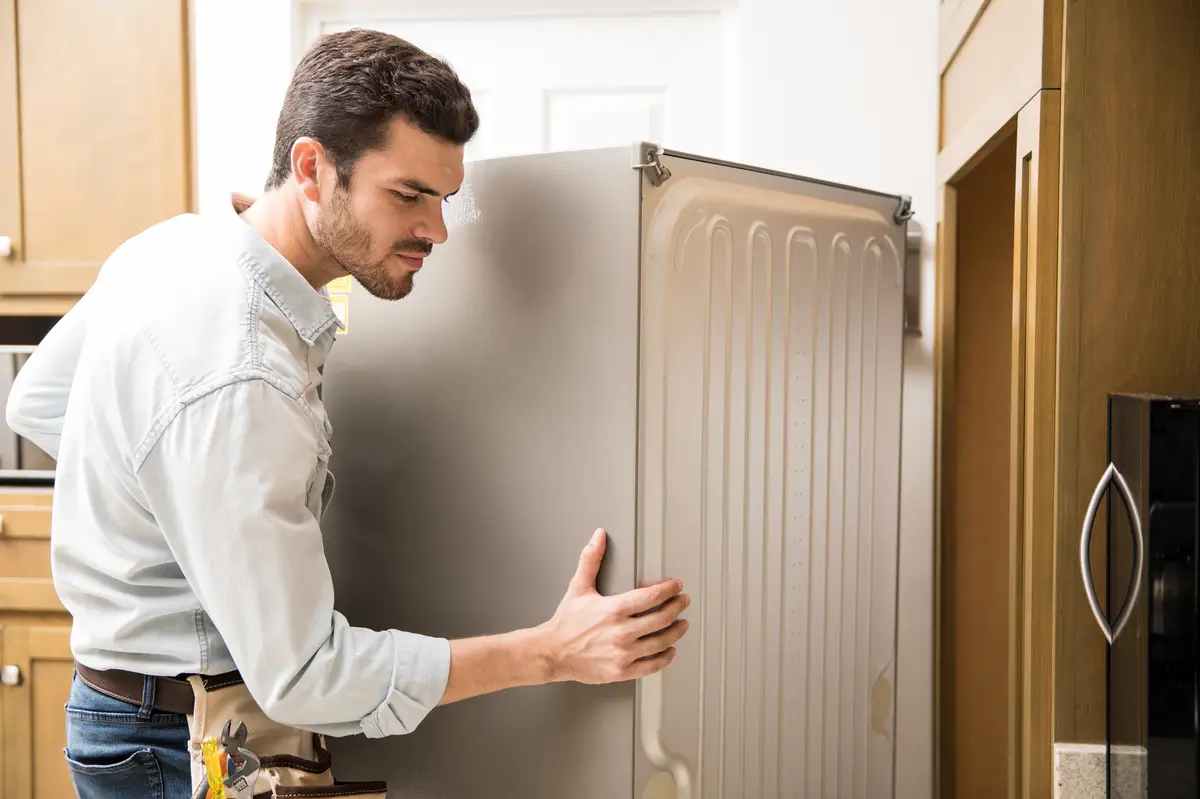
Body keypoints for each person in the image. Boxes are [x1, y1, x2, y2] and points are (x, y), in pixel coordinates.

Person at [7, 28, 689, 799]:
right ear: (311, 168)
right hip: (187, 738)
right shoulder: (243, 375)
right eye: (407, 194)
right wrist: (550, 653)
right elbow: (302, 673)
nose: (436, 229)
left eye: (444, 197)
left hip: (119, 709)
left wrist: (188, 517)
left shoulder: (172, 246)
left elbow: (37, 402)